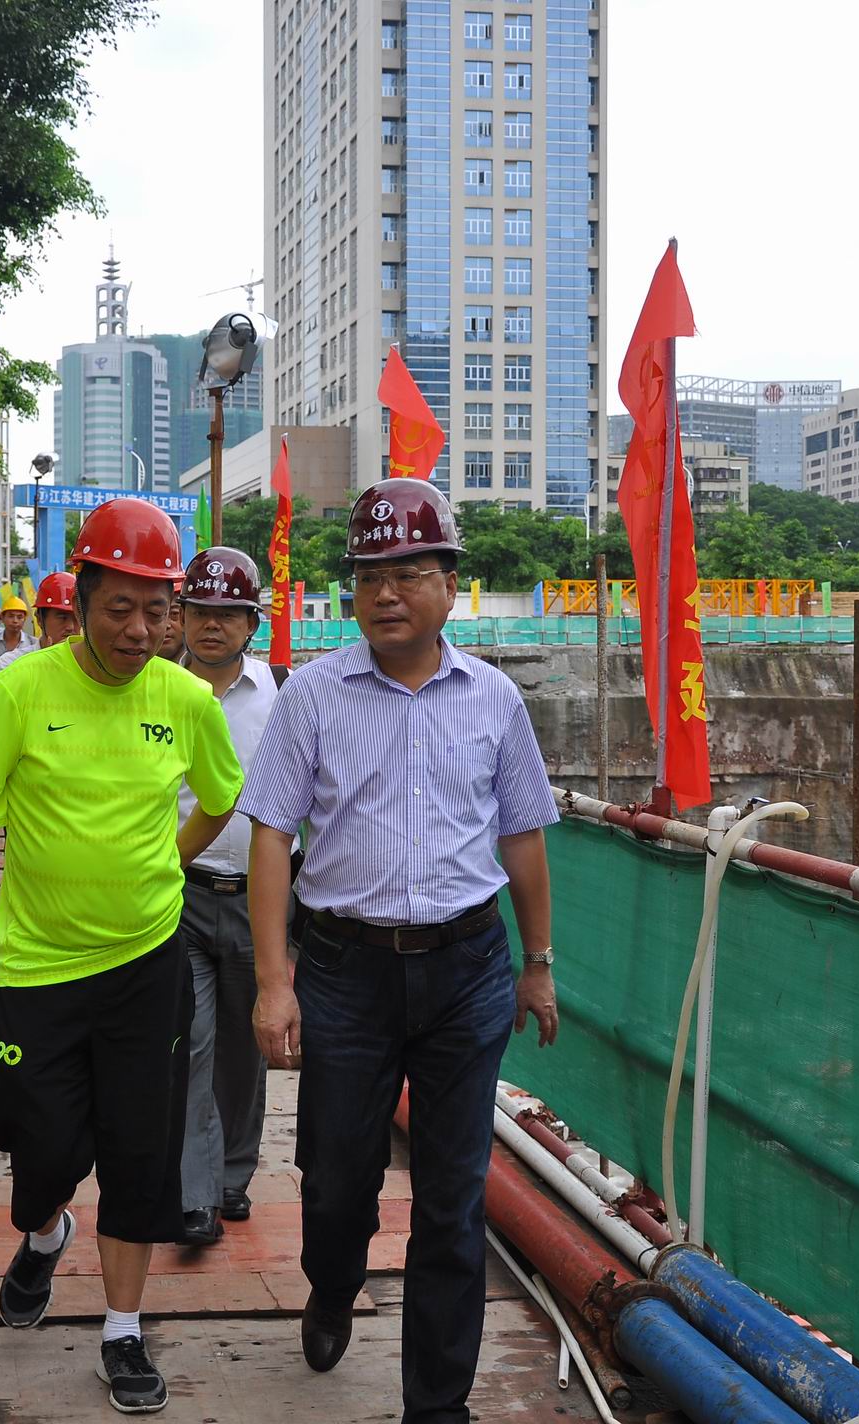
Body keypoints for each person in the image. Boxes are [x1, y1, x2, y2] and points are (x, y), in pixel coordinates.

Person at [241, 479, 561, 1424]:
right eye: (371, 575)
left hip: (468, 969)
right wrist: (273, 982)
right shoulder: (313, 696)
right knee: (337, 1178)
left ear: (450, 585)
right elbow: (270, 837)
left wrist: (537, 963)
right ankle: (332, 1284)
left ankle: (437, 1405)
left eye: (411, 572)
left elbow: (523, 835)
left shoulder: (494, 699)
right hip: (345, 971)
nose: (387, 593)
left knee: (453, 1199)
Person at [0, 498, 243, 1415]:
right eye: (120, 609)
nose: (140, 630)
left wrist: (167, 858)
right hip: (38, 971)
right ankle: (44, 1232)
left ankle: (123, 1330)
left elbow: (222, 798)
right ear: (85, 598)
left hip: (147, 969)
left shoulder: (187, 701)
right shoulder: (22, 690)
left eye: (157, 611)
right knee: (38, 1147)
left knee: (139, 1155)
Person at [169, 548, 277, 1247]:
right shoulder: (156, 690)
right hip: (180, 894)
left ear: (251, 622)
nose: (212, 625)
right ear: (181, 617)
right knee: (192, 1040)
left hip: (259, 899)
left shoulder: (282, 693)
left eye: (228, 614)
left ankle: (234, 1172)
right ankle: (196, 1195)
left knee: (246, 1045)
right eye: (200, 611)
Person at [0, 572, 79, 676]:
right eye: (62, 617)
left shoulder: (90, 666)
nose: (71, 627)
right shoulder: (11, 663)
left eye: (77, 617)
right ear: (39, 619)